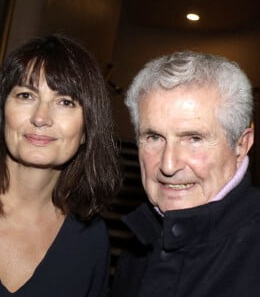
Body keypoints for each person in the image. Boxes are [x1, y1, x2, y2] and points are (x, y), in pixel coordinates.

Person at [0, 34, 120, 296]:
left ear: (86, 130)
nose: (41, 118)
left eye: (65, 102)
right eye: (26, 95)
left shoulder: (90, 240)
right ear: (0, 112)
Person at [110, 51, 260, 296]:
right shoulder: (140, 242)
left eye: (193, 138)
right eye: (154, 137)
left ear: (241, 146)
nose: (168, 165)